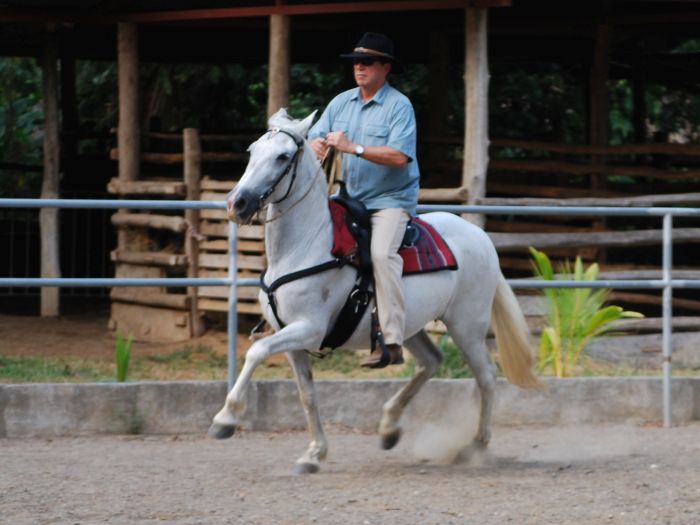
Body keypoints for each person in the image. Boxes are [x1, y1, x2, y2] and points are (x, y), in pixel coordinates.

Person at [308, 32, 420, 368]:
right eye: (356, 62)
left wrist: (352, 147)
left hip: (390, 200)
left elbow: (400, 157)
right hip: (348, 197)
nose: (359, 67)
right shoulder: (340, 102)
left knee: (382, 256)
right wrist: (316, 145)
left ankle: (392, 341)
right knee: (308, 239)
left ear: (385, 68)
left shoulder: (400, 106)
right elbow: (317, 135)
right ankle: (294, 317)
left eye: (367, 62)